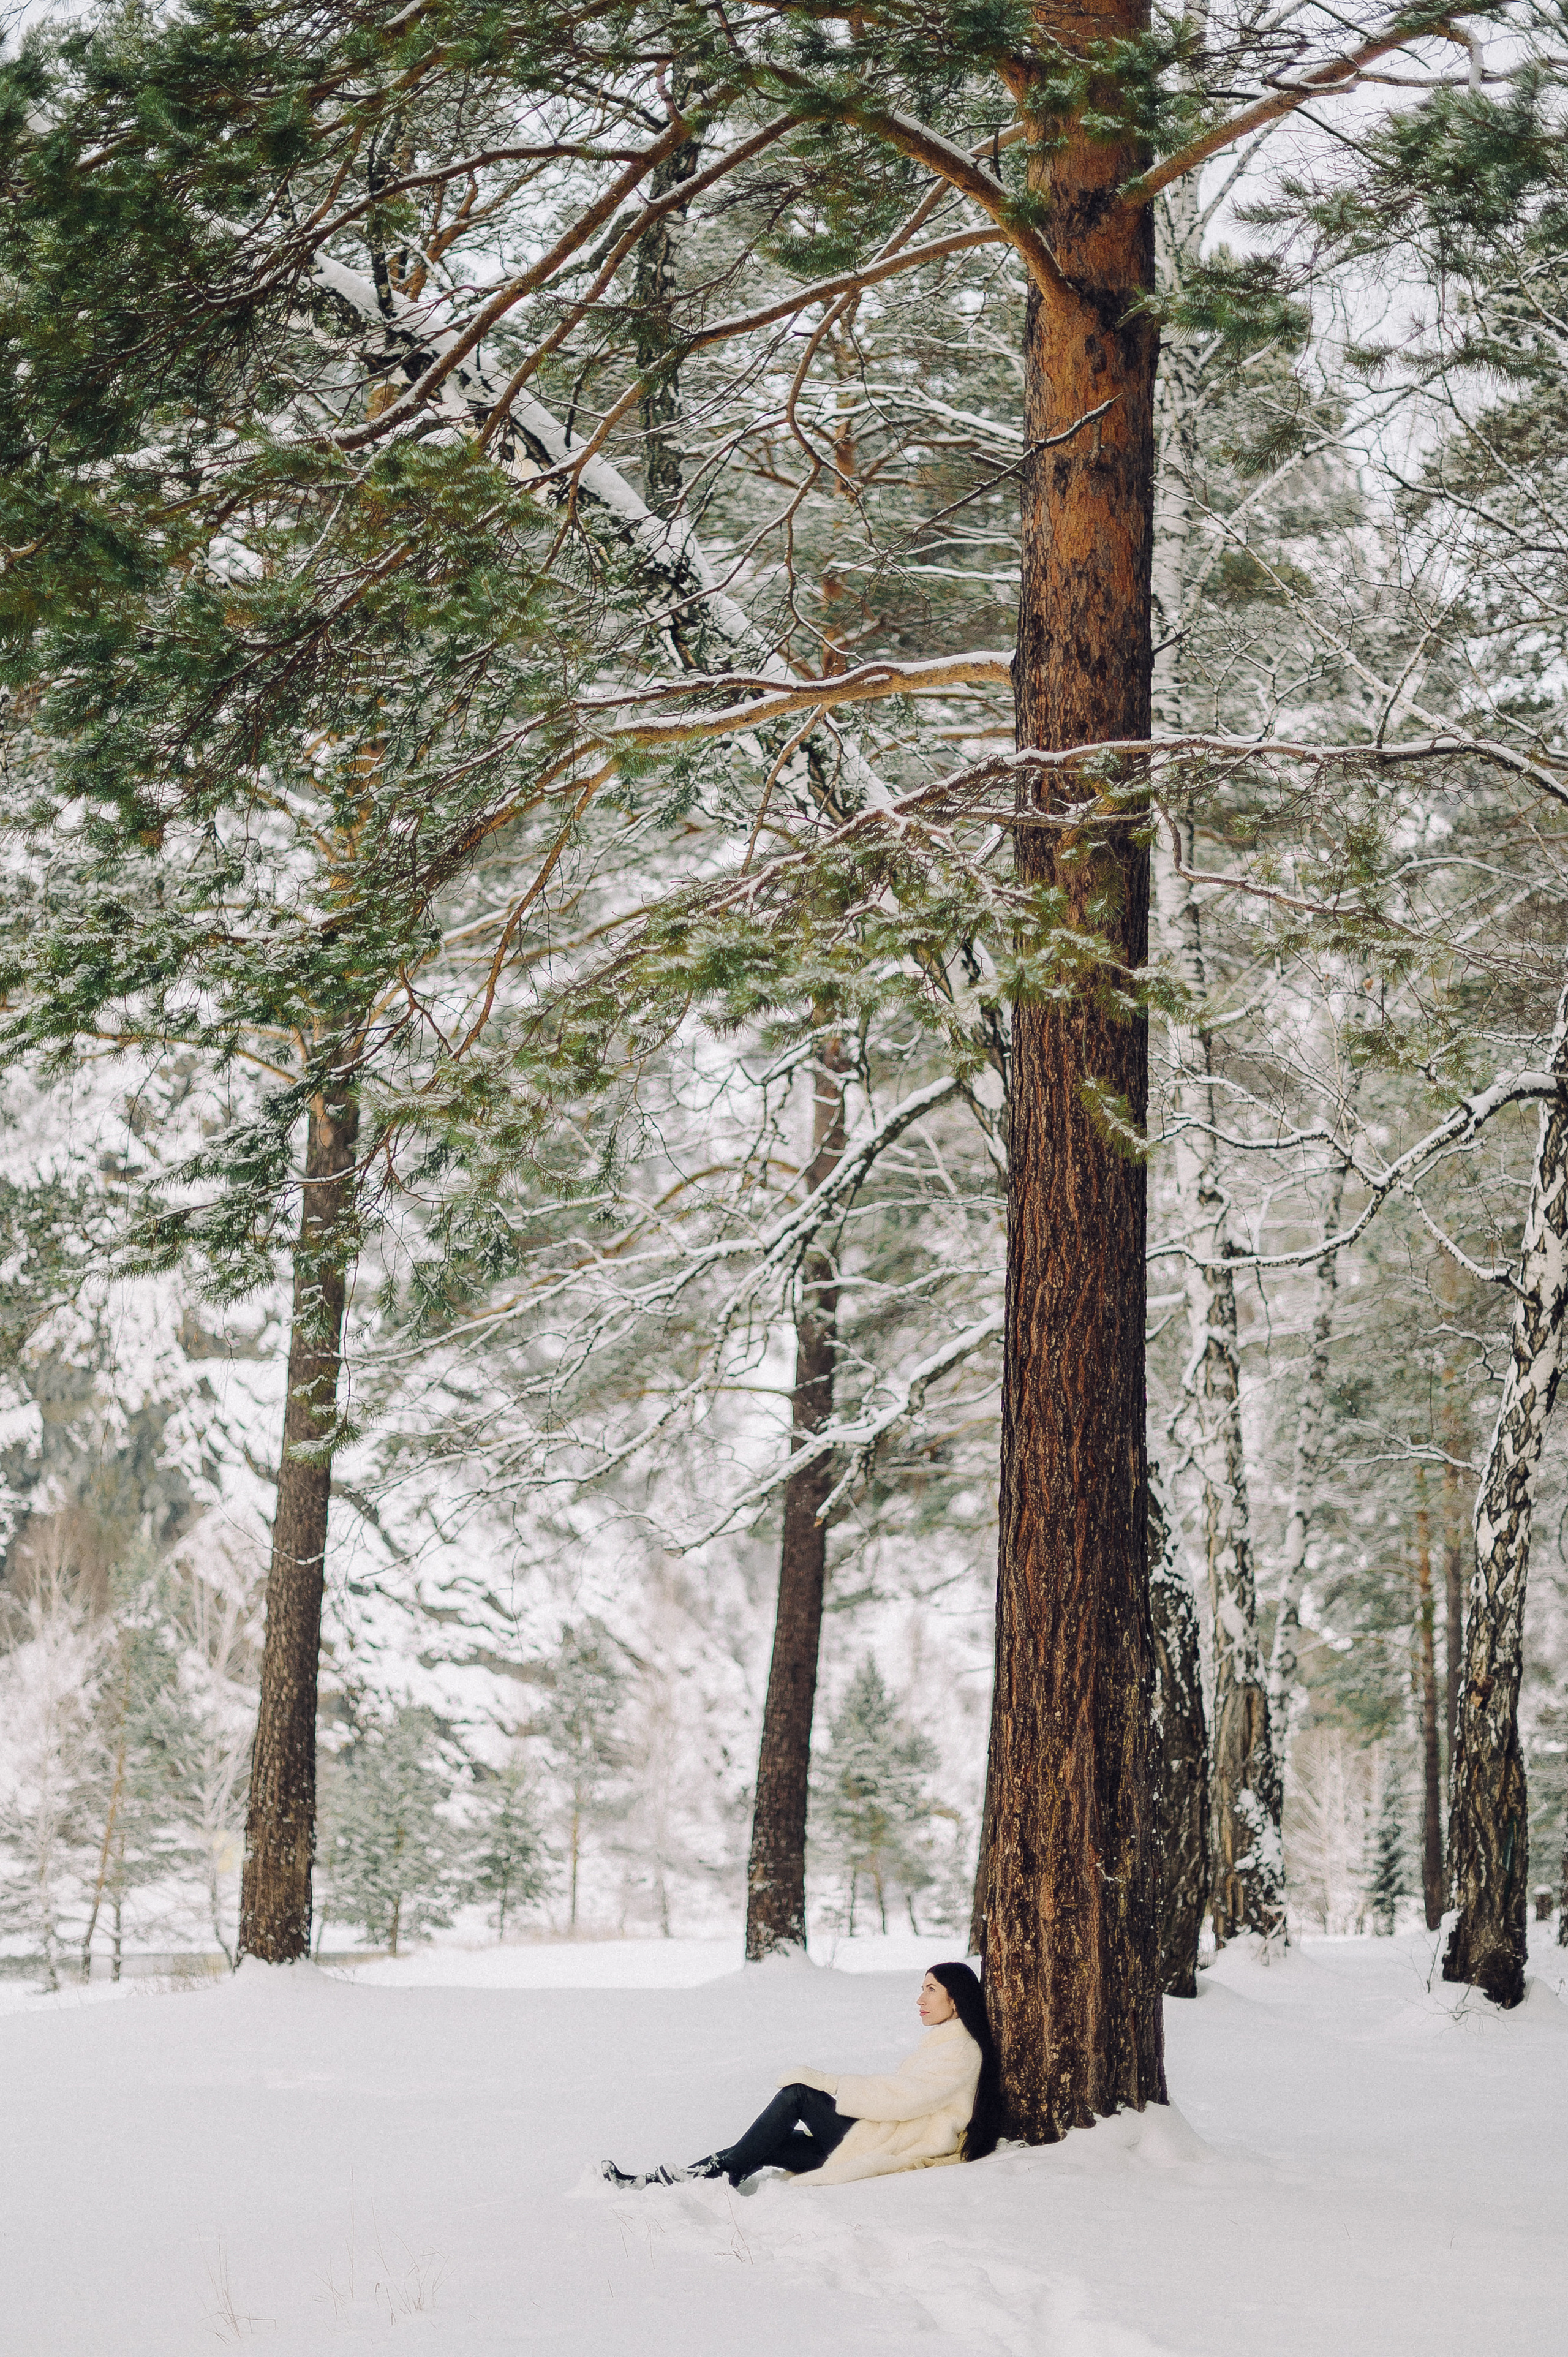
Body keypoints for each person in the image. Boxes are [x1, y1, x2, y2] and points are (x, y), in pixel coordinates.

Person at [600, 1961, 1003, 2192]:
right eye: (922, 1989)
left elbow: (906, 2098)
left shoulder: (961, 2049)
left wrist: (829, 2083)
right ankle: (666, 2184)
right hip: (871, 2139)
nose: (920, 1999)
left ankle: (696, 2178)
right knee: (768, 2144)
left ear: (955, 1998)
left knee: (798, 2093)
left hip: (881, 2144)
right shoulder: (944, 2044)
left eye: (931, 1989)